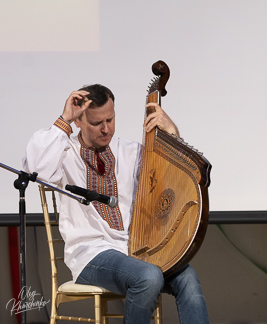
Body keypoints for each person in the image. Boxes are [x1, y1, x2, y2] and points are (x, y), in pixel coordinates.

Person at [23, 84, 210, 324]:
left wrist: (171, 133)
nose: (106, 129)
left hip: (136, 250)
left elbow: (175, 177)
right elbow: (37, 170)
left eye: (110, 120)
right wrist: (64, 119)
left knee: (189, 279)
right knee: (148, 277)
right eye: (96, 123)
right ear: (79, 122)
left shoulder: (129, 151)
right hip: (90, 254)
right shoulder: (64, 152)